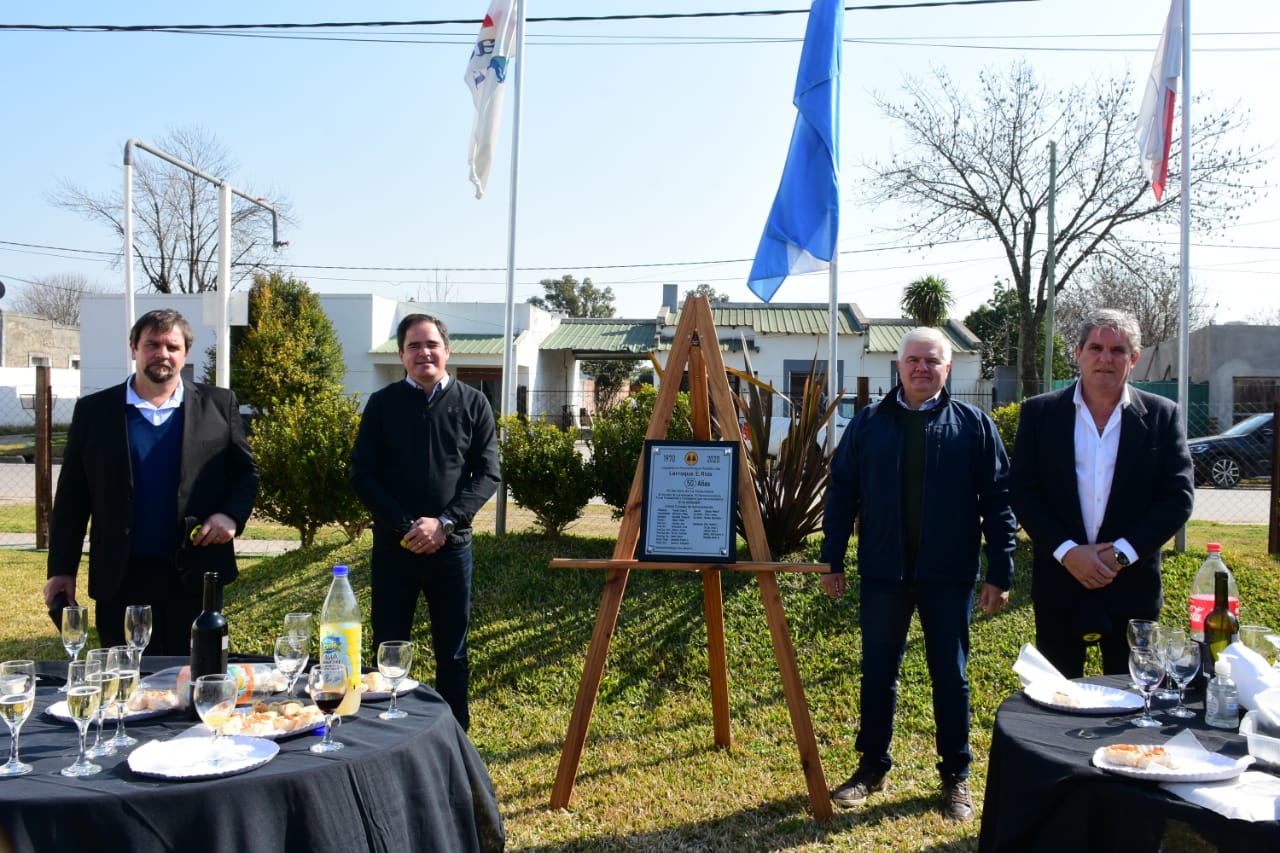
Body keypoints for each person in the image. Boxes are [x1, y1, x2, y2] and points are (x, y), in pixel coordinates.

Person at [820, 326, 1016, 822]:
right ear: (899, 365)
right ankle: (871, 767)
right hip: (884, 575)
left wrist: (1001, 571)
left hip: (948, 577)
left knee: (950, 676)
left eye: (933, 361)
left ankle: (956, 776)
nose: (922, 368)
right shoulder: (868, 424)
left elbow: (997, 502)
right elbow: (842, 493)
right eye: (914, 360)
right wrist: (833, 558)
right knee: (878, 674)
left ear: (947, 369)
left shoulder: (973, 426)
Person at [44, 308, 260, 654]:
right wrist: (61, 570)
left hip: (194, 573)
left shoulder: (219, 405)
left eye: (172, 346)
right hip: (121, 575)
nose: (162, 354)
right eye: (152, 344)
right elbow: (72, 499)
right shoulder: (94, 412)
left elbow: (245, 473)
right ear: (133, 348)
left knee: (192, 677)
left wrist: (230, 515)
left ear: (185, 353)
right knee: (125, 681)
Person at [1011, 309, 1194, 678]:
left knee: (1132, 701)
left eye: (1118, 350)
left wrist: (1121, 554)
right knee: (1057, 700)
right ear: (1078, 352)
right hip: (1060, 584)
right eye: (1096, 347)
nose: (1105, 358)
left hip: (1132, 588)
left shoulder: (1162, 416)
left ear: (1134, 359)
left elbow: (1178, 497)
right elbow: (1023, 492)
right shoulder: (1039, 413)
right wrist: (1067, 552)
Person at [351, 313, 500, 731]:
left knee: (452, 652)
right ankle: (386, 735)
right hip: (395, 549)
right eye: (414, 346)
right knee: (388, 649)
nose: (424, 352)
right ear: (401, 355)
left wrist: (444, 524)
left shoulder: (474, 404)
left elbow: (488, 475)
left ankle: (455, 738)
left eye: (432, 344)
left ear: (447, 350)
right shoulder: (382, 405)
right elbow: (363, 475)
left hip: (451, 550)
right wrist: (407, 527)